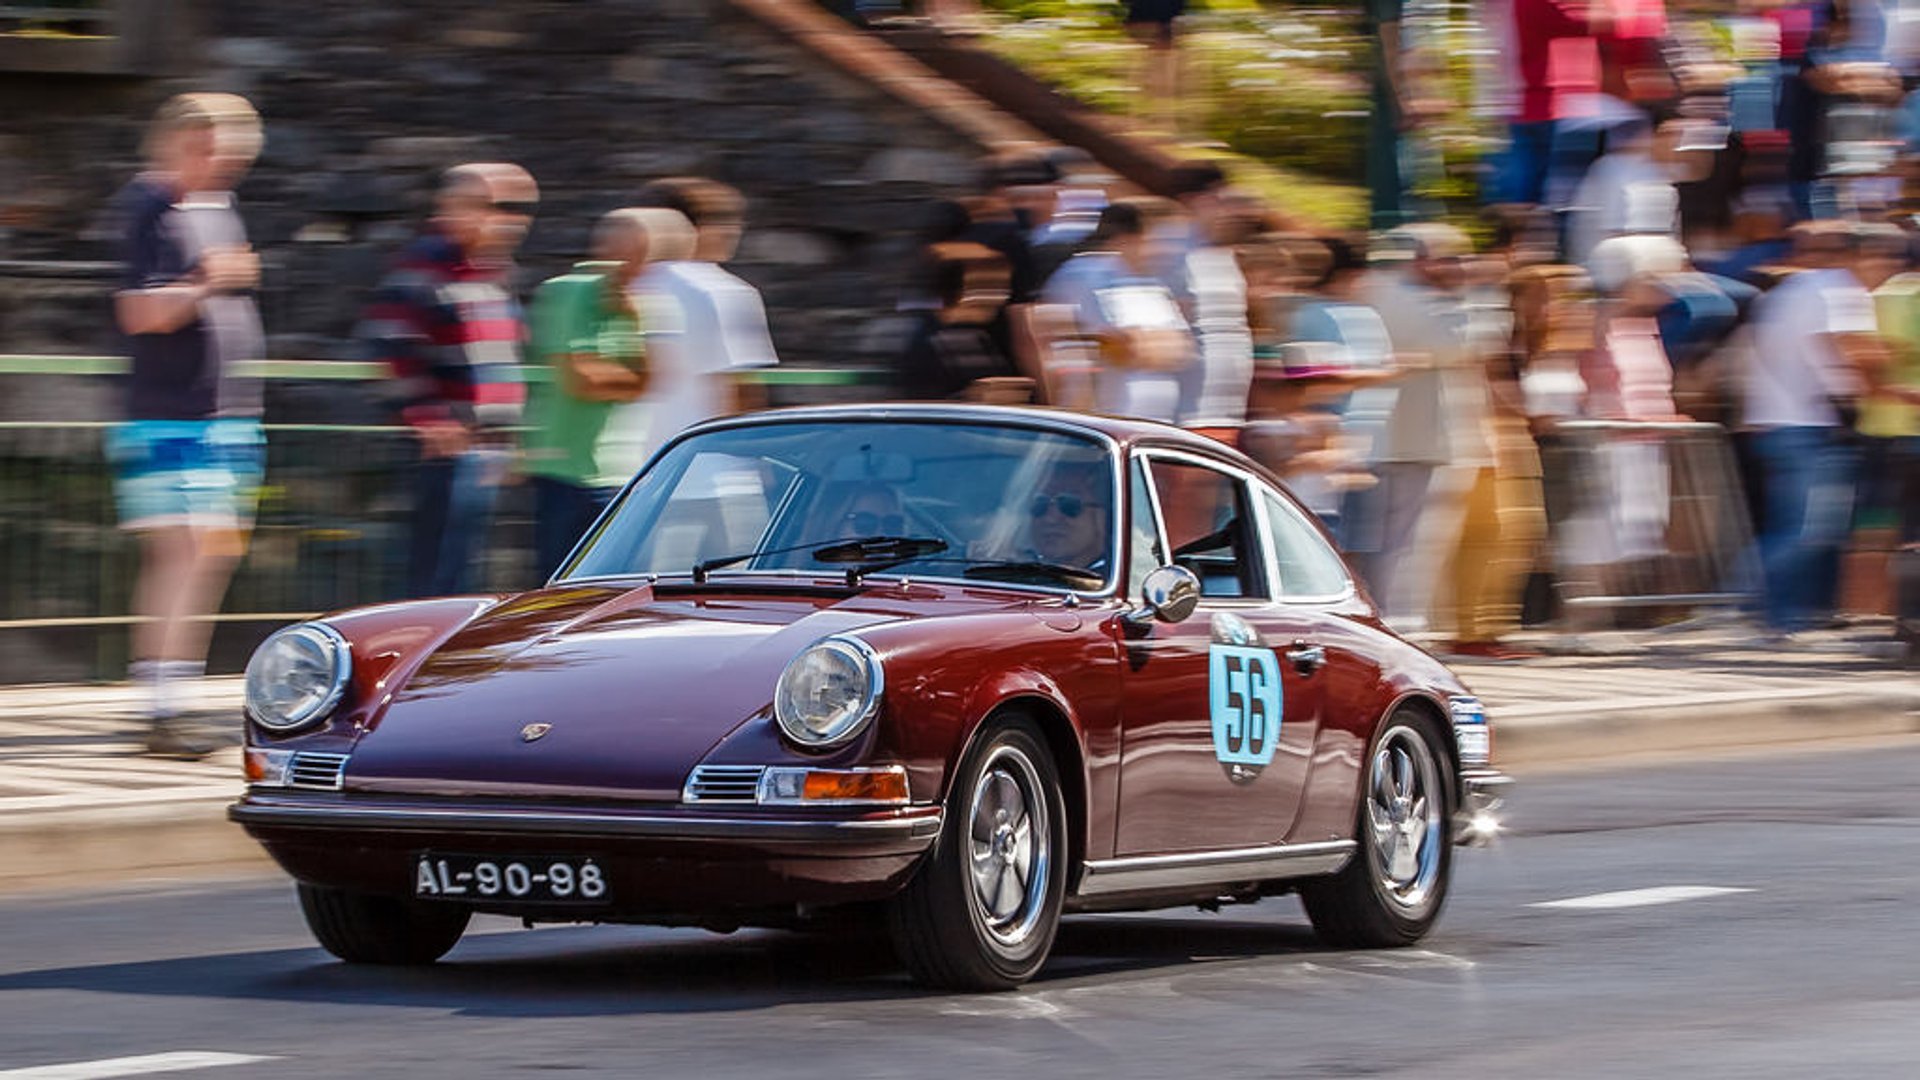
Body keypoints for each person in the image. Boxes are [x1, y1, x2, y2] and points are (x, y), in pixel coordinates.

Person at [108, 92, 266, 757]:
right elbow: (139, 314)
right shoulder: (148, 209)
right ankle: (162, 708)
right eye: (216, 150)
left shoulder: (214, 209)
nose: (227, 164)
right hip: (170, 416)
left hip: (226, 418)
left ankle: (172, 697)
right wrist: (206, 281)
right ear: (180, 143)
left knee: (208, 557)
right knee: (184, 554)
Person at [361, 162, 538, 598]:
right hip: (446, 448)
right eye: (496, 206)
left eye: (519, 208)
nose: (510, 219)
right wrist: (427, 419)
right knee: (436, 573)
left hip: (485, 447)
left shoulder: (493, 271)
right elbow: (386, 344)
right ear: (452, 207)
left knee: (463, 568)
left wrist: (508, 438)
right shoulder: (425, 266)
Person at [521, 208, 682, 582]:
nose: (633, 265)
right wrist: (627, 379)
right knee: (557, 590)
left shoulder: (645, 305)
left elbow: (653, 381)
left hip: (622, 475)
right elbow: (580, 379)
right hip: (565, 470)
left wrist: (632, 331)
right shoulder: (568, 292)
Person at [1743, 222, 1883, 633]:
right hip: (1808, 425)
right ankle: (1746, 601)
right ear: (1859, 257)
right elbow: (1844, 355)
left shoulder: (1791, 291)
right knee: (1806, 530)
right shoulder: (1840, 290)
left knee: (1794, 527)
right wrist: (1858, 397)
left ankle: (1778, 616)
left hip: (1775, 423)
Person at [628, 177, 779, 462]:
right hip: (707, 469)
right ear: (694, 229)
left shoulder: (618, 288)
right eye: (724, 221)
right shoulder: (722, 290)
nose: (734, 231)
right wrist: (756, 464)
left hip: (629, 473)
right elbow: (738, 394)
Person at [1040, 198, 1193, 421]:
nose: (1169, 251)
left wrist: (1144, 344)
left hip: (1155, 425)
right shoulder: (1084, 275)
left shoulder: (1152, 283)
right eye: (1159, 241)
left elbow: (1181, 352)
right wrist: (1151, 344)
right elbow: (1118, 348)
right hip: (1103, 422)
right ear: (1127, 240)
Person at [1160, 161, 1257, 445]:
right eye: (1218, 197)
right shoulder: (1169, 250)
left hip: (1227, 409)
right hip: (1187, 411)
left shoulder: (1221, 250)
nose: (1226, 207)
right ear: (1192, 200)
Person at [1023, 463, 1111, 573]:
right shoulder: (1011, 574)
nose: (1050, 519)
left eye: (1069, 504)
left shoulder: (1125, 580)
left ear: (1104, 517)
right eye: (1040, 503)